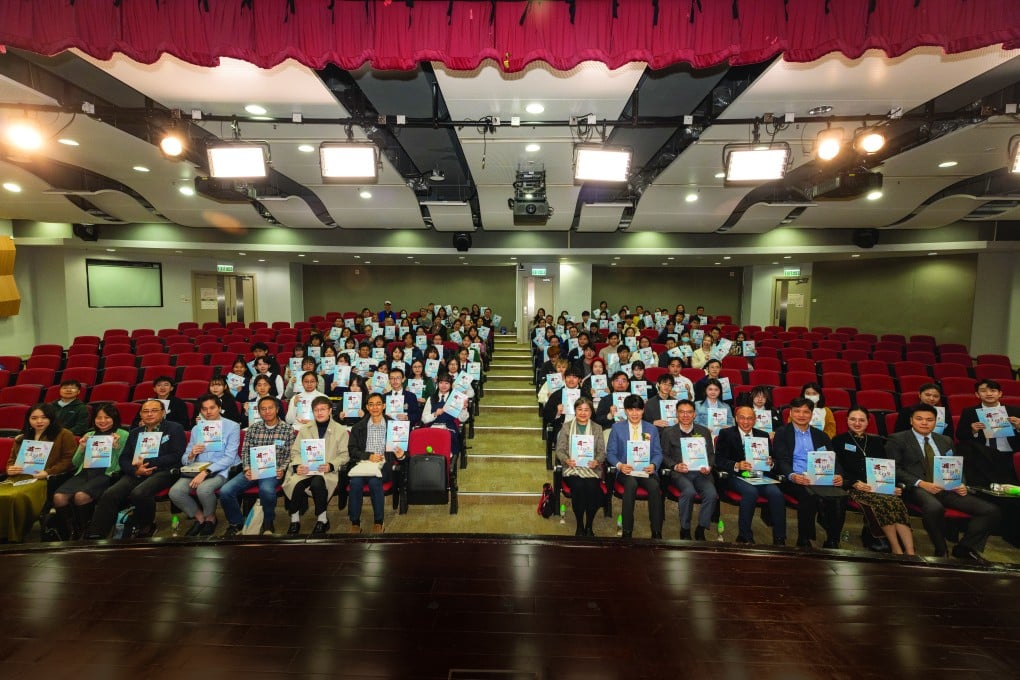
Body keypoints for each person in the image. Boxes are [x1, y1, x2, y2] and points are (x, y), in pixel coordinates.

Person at [888, 403, 1001, 561]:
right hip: (916, 488)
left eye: (929, 420)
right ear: (911, 421)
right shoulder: (897, 439)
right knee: (935, 507)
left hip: (947, 488)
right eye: (919, 419)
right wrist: (922, 483)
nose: (924, 422)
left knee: (990, 510)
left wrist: (960, 483)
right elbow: (895, 469)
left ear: (936, 422)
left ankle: (965, 548)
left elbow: (956, 466)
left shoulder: (945, 440)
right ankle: (941, 550)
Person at [89, 399, 187, 538]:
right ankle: (97, 533)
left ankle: (146, 525)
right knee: (110, 493)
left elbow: (177, 454)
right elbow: (124, 457)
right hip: (137, 471)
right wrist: (134, 470)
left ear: (163, 412)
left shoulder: (174, 428)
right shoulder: (135, 432)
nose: (149, 414)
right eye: (145, 411)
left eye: (154, 411)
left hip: (163, 471)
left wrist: (147, 462)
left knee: (139, 493)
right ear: (140, 414)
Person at [832, 407, 914, 555]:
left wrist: (893, 486)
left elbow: (885, 466)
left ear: (868, 422)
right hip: (855, 486)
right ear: (847, 420)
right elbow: (837, 468)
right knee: (882, 503)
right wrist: (853, 482)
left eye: (861, 420)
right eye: (853, 419)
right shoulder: (838, 441)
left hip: (879, 485)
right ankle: (896, 548)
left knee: (897, 502)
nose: (857, 423)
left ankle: (910, 551)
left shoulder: (877, 441)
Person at [772, 397, 847, 549]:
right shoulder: (782, 433)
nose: (801, 415)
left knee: (841, 496)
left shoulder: (821, 435)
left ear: (811, 414)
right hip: (795, 478)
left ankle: (833, 539)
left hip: (820, 477)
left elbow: (833, 459)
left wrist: (839, 474)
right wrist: (793, 475)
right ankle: (804, 538)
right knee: (808, 495)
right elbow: (781, 460)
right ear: (791, 413)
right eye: (797, 411)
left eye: (806, 412)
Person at [220, 396, 297, 536]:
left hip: (274, 471)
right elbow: (245, 451)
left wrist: (282, 469)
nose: (267, 412)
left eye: (270, 408)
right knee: (226, 491)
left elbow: (291, 455)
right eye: (263, 409)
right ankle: (237, 522)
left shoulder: (287, 429)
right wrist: (247, 468)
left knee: (266, 489)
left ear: (277, 409)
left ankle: (268, 521)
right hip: (252, 470)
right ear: (259, 411)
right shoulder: (253, 428)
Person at [51, 403, 128, 540]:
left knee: (81, 496)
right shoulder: (89, 434)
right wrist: (81, 448)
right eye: (99, 417)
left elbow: (122, 464)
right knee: (59, 497)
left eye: (107, 417)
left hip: (106, 474)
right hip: (85, 473)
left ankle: (85, 529)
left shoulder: (123, 434)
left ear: (114, 418)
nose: (102, 421)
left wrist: (116, 447)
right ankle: (70, 531)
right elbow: (75, 462)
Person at [167, 394, 241, 536]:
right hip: (197, 467)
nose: (208, 412)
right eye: (204, 409)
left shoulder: (232, 426)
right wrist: (191, 455)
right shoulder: (197, 429)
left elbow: (229, 457)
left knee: (204, 489)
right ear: (200, 411)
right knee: (175, 492)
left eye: (212, 408)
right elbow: (185, 458)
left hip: (222, 467)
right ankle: (200, 518)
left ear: (219, 408)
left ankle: (210, 518)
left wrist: (207, 471)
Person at [1, 403, 76, 542]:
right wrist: (10, 469)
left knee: (16, 497)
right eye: (34, 418)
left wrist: (48, 472)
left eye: (44, 417)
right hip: (18, 477)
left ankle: (14, 535)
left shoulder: (64, 434)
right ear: (28, 420)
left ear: (51, 418)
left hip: (43, 479)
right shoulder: (21, 438)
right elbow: (11, 460)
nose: (39, 421)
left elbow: (68, 461)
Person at [715, 405, 787, 545]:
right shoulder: (726, 434)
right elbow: (719, 460)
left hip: (759, 475)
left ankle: (780, 538)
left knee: (777, 494)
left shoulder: (763, 435)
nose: (746, 422)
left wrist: (771, 463)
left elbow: (773, 459)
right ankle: (744, 536)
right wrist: (737, 465)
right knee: (750, 492)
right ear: (736, 419)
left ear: (754, 420)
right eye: (742, 418)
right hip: (737, 476)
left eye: (749, 418)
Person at [284, 396, 349, 535]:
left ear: (330, 410)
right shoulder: (305, 429)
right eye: (316, 410)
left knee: (317, 483)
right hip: (306, 469)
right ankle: (294, 520)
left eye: (323, 409)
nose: (319, 413)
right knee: (296, 484)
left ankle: (322, 519)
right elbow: (295, 452)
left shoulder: (340, 430)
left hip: (326, 471)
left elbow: (344, 455)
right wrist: (297, 466)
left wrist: (331, 465)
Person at [606, 395, 663, 539]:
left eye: (638, 410)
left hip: (645, 470)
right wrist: (620, 465)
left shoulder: (652, 429)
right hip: (626, 471)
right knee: (631, 484)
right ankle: (627, 530)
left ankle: (656, 531)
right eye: (631, 410)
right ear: (625, 411)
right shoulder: (617, 428)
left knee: (654, 486)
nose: (634, 413)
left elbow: (658, 453)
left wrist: (653, 464)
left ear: (643, 410)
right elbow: (610, 453)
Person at [660, 399, 719, 540]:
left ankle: (701, 528)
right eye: (682, 412)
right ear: (677, 414)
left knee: (711, 494)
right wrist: (675, 466)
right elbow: (663, 455)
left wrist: (709, 466)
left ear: (694, 414)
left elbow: (711, 454)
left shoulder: (704, 431)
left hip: (701, 473)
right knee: (689, 492)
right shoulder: (668, 432)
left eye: (689, 412)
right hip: (680, 473)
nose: (685, 415)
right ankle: (685, 528)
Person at [347, 393, 406, 534]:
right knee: (355, 482)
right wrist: (368, 456)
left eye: (378, 404)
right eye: (371, 404)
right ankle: (355, 522)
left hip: (384, 465)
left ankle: (378, 521)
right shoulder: (358, 427)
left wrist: (401, 455)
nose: (375, 407)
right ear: (367, 407)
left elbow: (405, 452)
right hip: (364, 463)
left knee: (374, 481)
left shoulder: (394, 426)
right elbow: (352, 450)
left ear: (384, 406)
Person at [554, 396, 607, 537]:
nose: (583, 413)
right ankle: (579, 525)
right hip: (572, 468)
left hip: (591, 468)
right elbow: (560, 450)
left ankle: (589, 525)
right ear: (575, 411)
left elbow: (602, 452)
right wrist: (566, 460)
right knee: (578, 486)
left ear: (591, 412)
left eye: (586, 410)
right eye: (579, 409)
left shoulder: (597, 428)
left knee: (592, 487)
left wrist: (597, 461)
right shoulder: (566, 427)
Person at [954, 379, 1020, 487]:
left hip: (1009, 454)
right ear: (977, 394)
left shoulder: (1015, 411)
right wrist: (973, 431)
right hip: (983, 454)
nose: (989, 394)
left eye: (993, 390)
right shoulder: (970, 412)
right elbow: (960, 435)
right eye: (984, 391)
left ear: (1000, 393)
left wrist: (1018, 427)